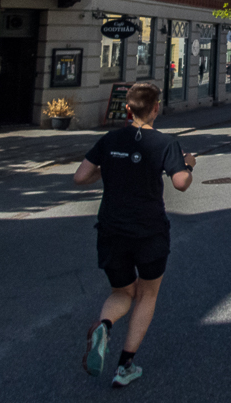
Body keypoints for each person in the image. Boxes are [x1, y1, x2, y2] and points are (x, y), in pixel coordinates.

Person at [73, 83, 196, 389]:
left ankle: (104, 325)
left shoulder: (111, 139)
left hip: (112, 230)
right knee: (147, 294)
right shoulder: (166, 143)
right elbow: (181, 182)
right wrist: (189, 165)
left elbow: (80, 177)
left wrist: (110, 165)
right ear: (156, 108)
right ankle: (125, 366)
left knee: (121, 292)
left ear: (127, 109)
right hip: (149, 231)